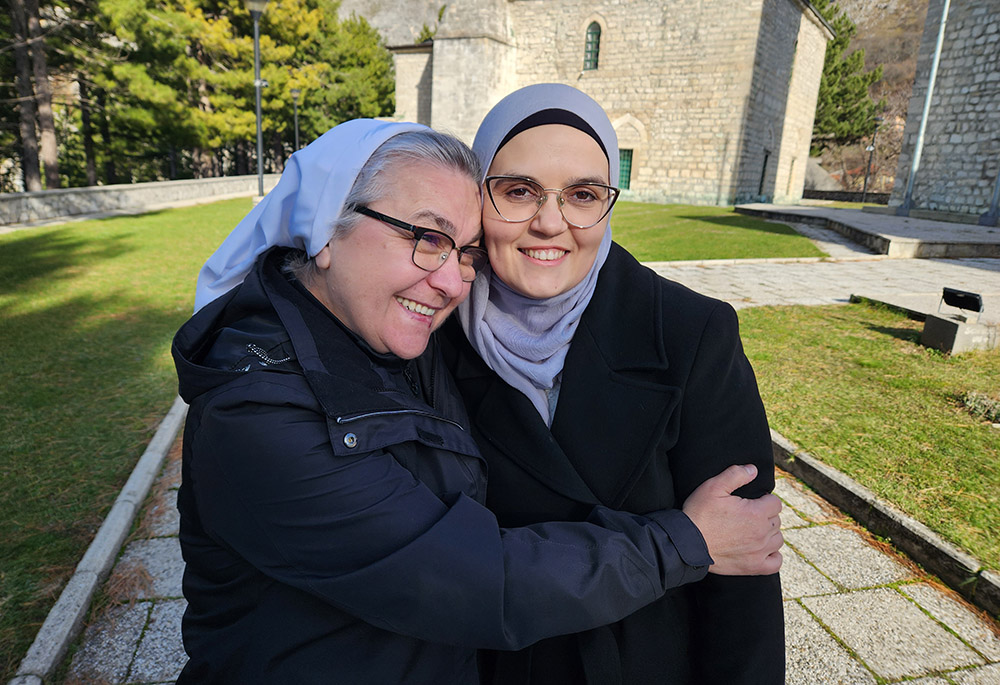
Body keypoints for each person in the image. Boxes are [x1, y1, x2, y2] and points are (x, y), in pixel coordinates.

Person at [172, 119, 781, 683]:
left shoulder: (389, 339)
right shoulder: (258, 412)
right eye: (428, 238)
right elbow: (464, 579)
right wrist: (681, 541)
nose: (452, 282)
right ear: (326, 230)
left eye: (465, 251)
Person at [440, 83, 785, 683]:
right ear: (480, 200)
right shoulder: (431, 329)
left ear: (609, 204)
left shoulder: (689, 334)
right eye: (518, 191)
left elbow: (745, 567)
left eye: (582, 194)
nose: (551, 223)